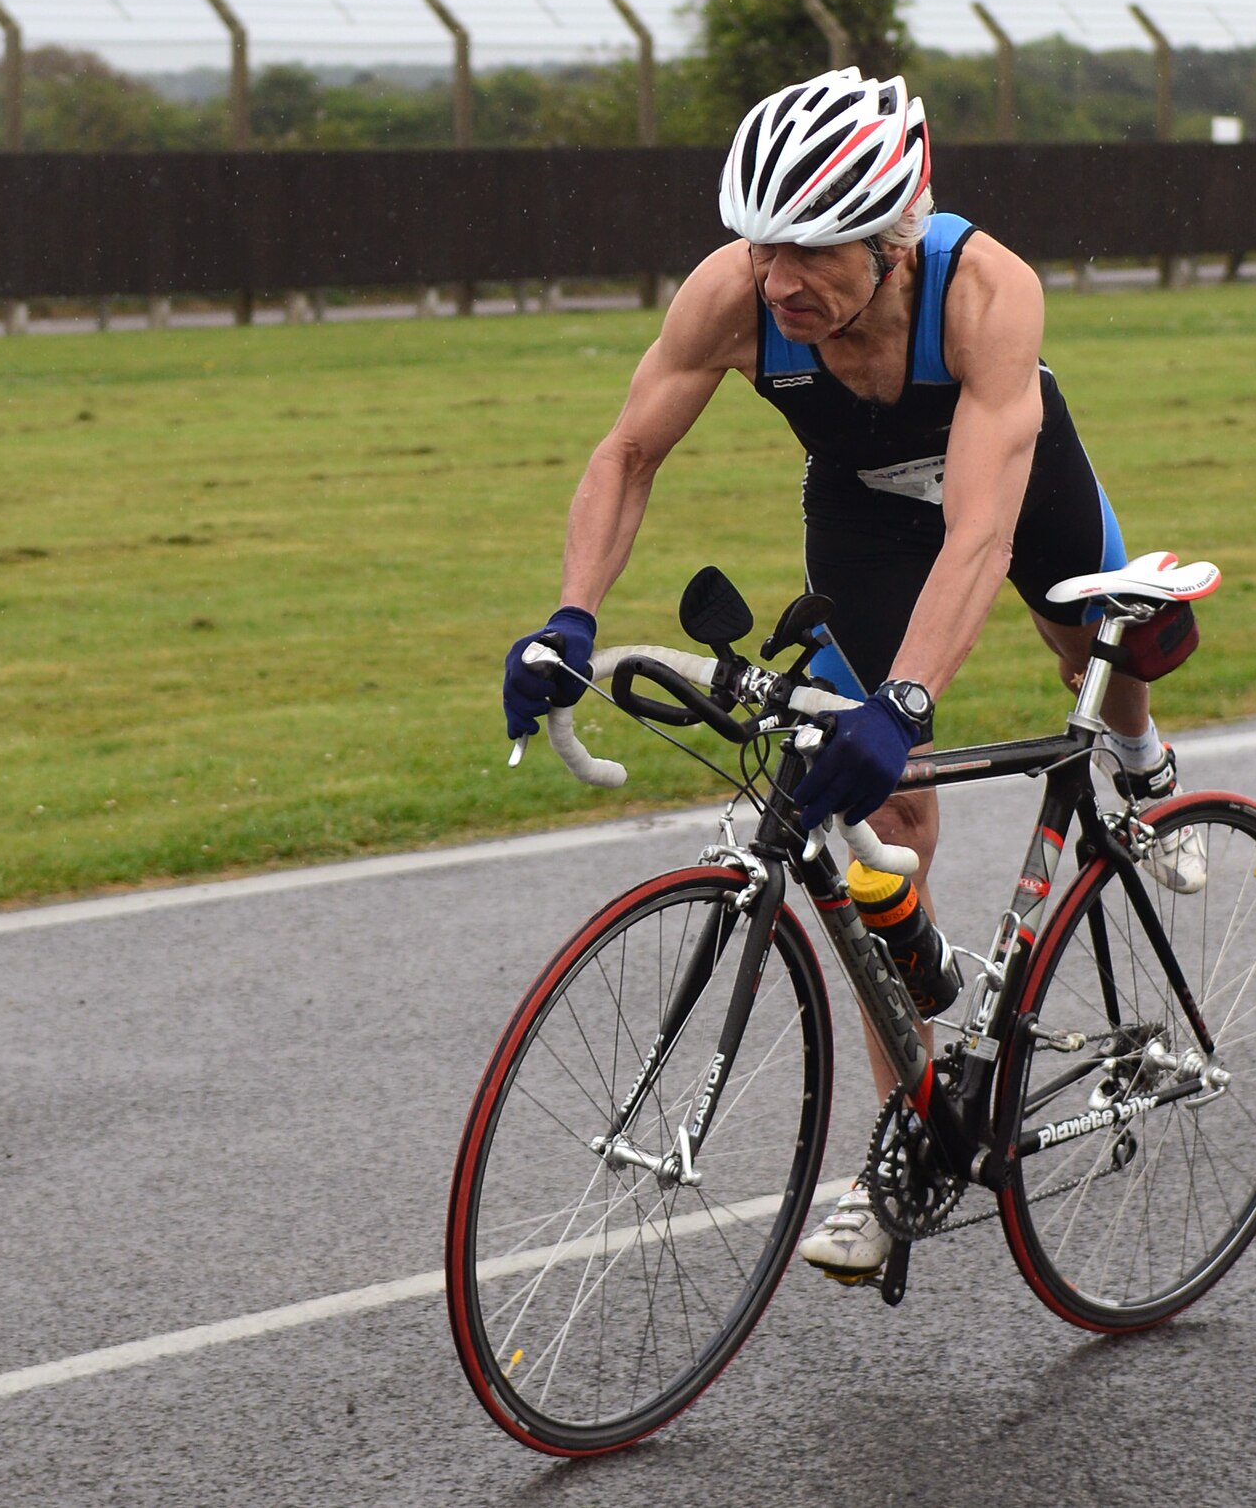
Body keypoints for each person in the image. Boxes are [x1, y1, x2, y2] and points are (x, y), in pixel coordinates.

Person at [500, 67, 1204, 1285]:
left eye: (814, 253)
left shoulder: (987, 291)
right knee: (886, 815)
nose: (781, 281)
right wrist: (567, 616)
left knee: (1090, 639)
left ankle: (1138, 766)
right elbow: (625, 454)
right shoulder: (732, 297)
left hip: (1008, 486)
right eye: (766, 246)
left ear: (891, 237)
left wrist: (910, 700)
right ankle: (902, 1140)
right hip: (864, 516)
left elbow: (980, 534)